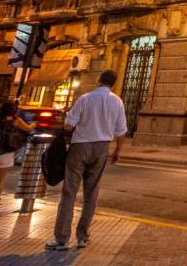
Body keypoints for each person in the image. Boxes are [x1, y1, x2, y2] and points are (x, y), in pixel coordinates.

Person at [46, 70, 127, 251]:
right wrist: (118, 151)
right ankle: (82, 237)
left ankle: (62, 239)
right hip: (102, 148)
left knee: (69, 192)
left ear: (99, 80)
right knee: (91, 193)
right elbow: (121, 130)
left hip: (80, 146)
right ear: (114, 83)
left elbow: (69, 125)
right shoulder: (117, 101)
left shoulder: (85, 98)